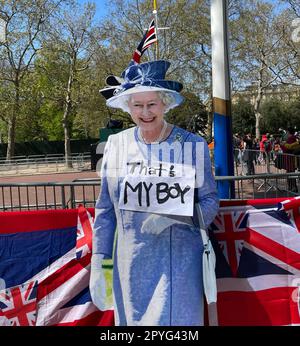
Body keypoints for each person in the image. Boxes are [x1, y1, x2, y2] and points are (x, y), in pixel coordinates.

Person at [89, 59, 219, 326]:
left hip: (179, 266)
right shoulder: (114, 145)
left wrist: (177, 217)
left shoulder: (191, 145)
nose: (145, 112)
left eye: (152, 104)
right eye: (137, 105)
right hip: (131, 265)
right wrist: (99, 259)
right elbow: (105, 211)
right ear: (128, 107)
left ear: (165, 104)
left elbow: (210, 201)